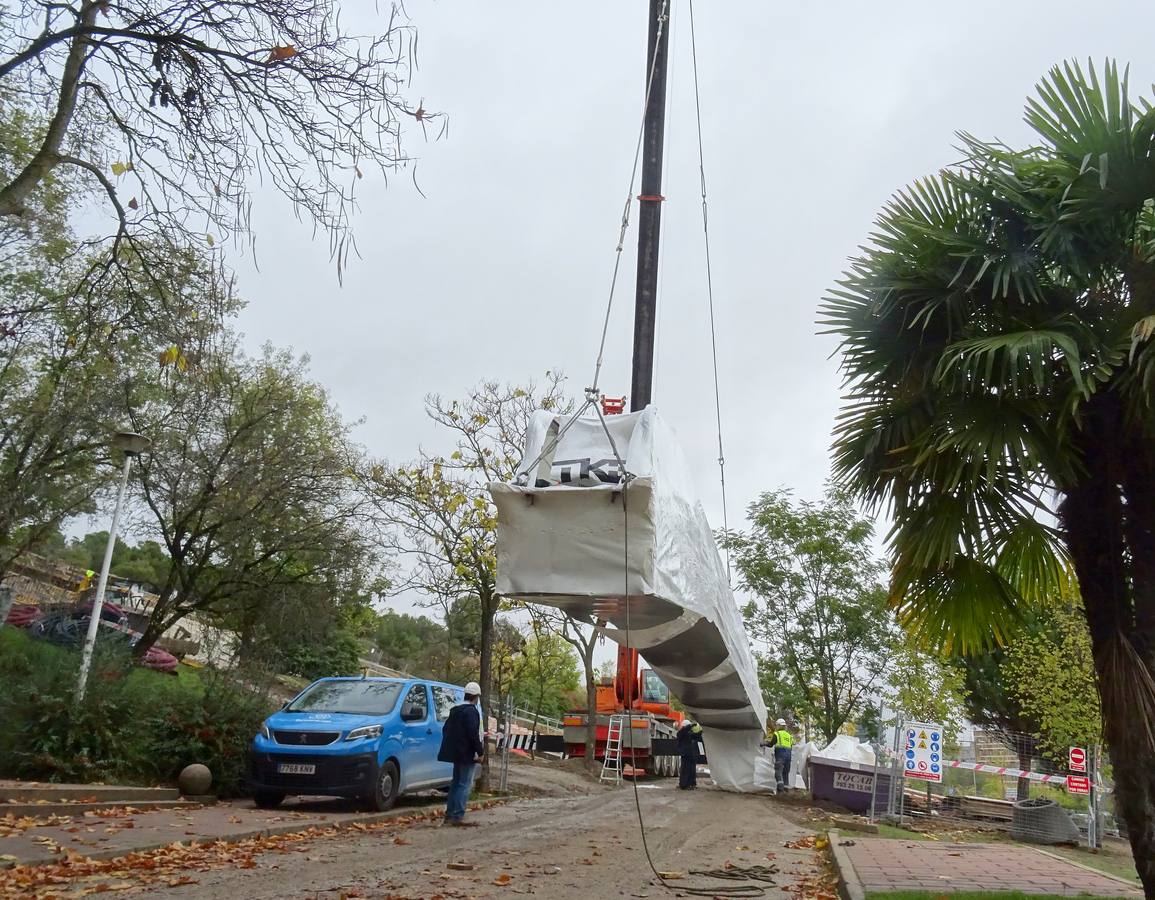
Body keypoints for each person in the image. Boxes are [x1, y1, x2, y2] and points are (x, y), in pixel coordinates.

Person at [438, 681, 485, 826]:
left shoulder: (455, 710)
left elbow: (446, 729)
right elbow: (473, 734)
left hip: (455, 753)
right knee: (464, 784)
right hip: (466, 754)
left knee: (455, 783)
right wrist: (480, 751)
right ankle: (458, 815)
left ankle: (449, 814)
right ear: (476, 696)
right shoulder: (472, 712)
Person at [764, 718, 794, 792]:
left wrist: (764, 743)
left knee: (778, 772)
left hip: (781, 755)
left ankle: (780, 790)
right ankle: (786, 791)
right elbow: (791, 746)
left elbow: (771, 744)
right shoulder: (789, 736)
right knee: (785, 773)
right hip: (788, 757)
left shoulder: (777, 734)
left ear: (778, 725)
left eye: (776, 725)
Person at [676, 720, 702, 790]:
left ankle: (690, 784)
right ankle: (684, 785)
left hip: (690, 754)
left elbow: (696, 736)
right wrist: (691, 725)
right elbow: (684, 730)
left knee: (691, 770)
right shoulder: (681, 733)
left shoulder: (688, 733)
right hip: (685, 754)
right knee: (685, 770)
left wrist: (701, 731)